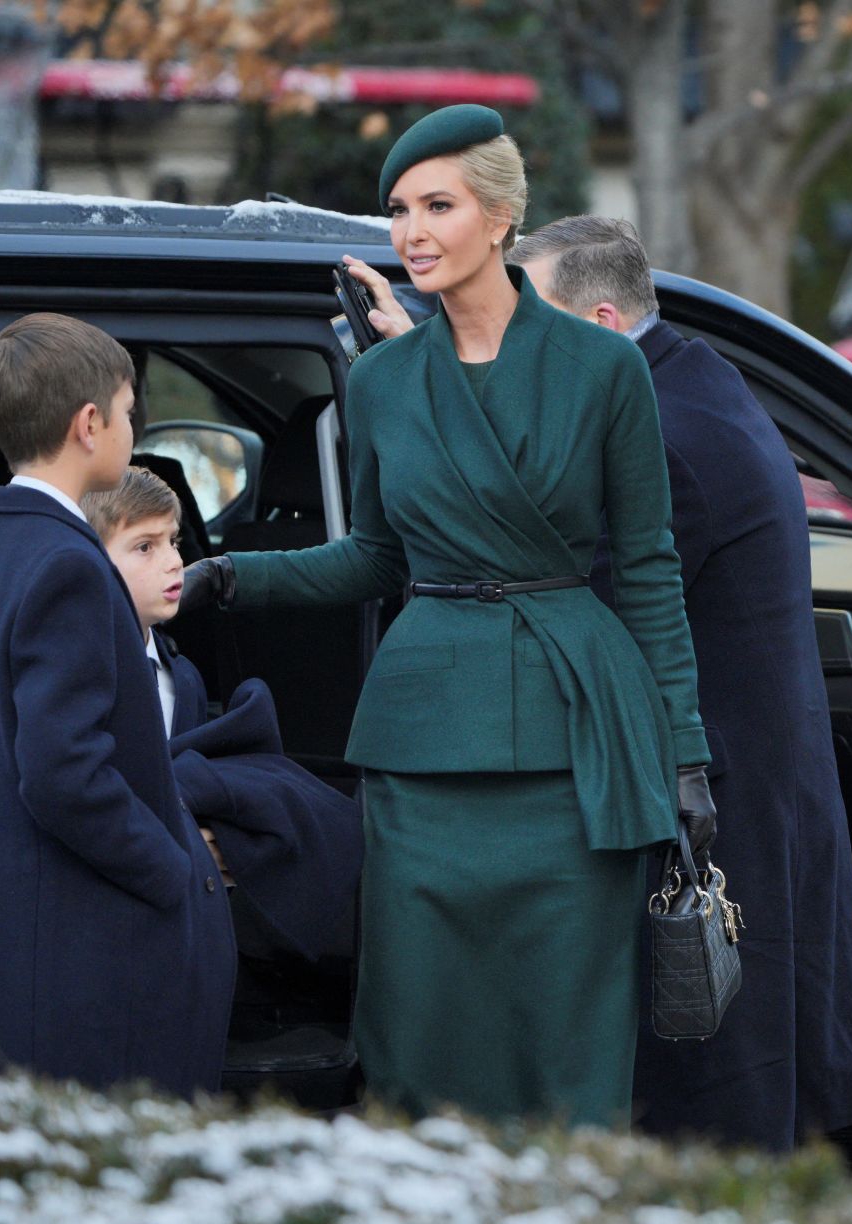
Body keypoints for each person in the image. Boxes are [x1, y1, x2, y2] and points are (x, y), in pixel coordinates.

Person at [178, 105, 716, 1127]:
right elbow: (377, 556)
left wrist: (683, 754)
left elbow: (648, 568)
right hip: (425, 746)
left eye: (439, 205)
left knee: (566, 1022)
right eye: (398, 210)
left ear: (503, 217)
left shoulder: (605, 369)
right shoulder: (382, 380)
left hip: (576, 742)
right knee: (420, 1023)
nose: (412, 231)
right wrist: (230, 576)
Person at [488, 215, 852, 1150]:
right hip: (735, 785)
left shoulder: (661, 440)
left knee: (713, 1103)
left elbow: (564, 617)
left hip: (705, 810)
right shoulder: (691, 384)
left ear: (605, 320)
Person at [0, 313, 235, 1098]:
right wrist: (172, 868)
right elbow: (64, 773)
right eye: (129, 413)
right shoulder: (68, 566)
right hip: (68, 960)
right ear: (89, 424)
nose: (132, 429)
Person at [83, 465, 364, 963]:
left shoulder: (183, 676)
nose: (173, 562)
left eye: (173, 540)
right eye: (144, 547)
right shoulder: (80, 674)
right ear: (86, 561)